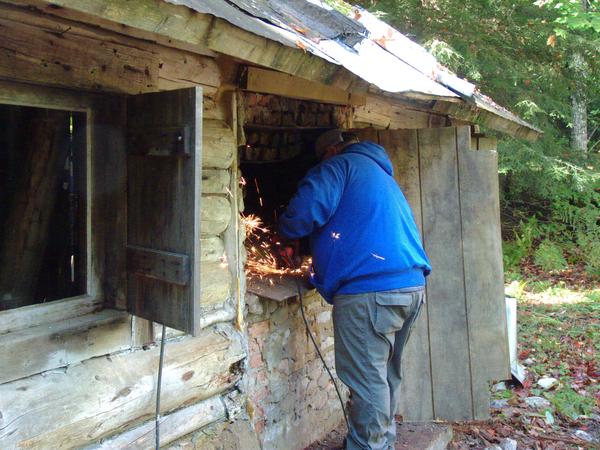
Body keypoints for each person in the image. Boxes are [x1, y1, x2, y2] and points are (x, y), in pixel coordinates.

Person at [278, 129, 432, 450]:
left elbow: (302, 214)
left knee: (366, 380)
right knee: (385, 374)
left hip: (370, 292)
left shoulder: (337, 167)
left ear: (332, 150)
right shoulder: (377, 172)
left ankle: (368, 447)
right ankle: (381, 443)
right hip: (410, 285)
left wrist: (285, 231)